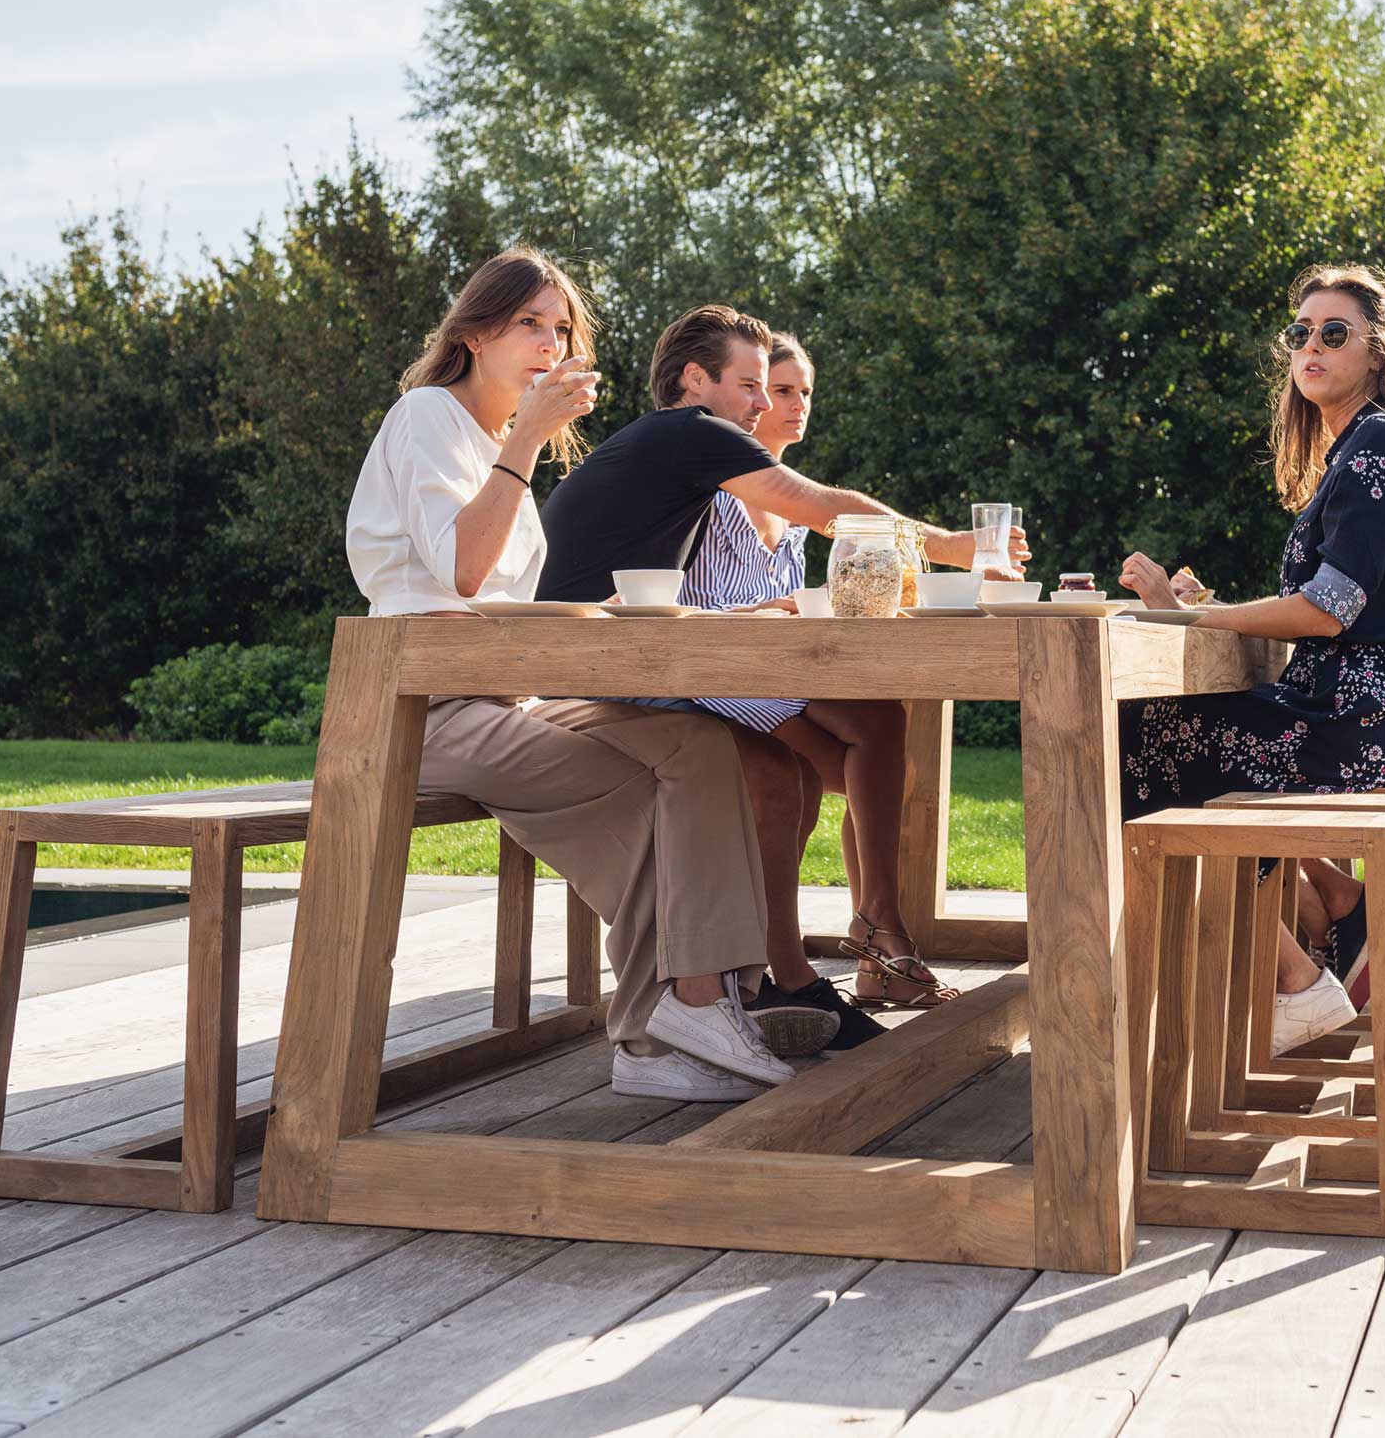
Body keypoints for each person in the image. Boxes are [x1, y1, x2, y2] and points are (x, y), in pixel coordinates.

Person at [345, 248, 817, 1105]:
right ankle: (673, 1014)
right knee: (646, 794)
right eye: (528, 322)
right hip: (427, 709)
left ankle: (687, 1012)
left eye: (559, 329)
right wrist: (526, 438)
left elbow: (522, 607)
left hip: (512, 696)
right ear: (477, 331)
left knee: (698, 745)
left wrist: (734, 622)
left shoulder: (496, 448)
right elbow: (460, 571)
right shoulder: (427, 417)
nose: (547, 342)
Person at [540, 305, 1028, 1033]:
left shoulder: (679, 450)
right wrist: (956, 546)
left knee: (800, 769)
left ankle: (794, 971)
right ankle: (828, 953)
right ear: (694, 380)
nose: (765, 404)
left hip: (628, 654)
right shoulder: (688, 432)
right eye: (750, 385)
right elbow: (823, 507)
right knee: (838, 744)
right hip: (594, 669)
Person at [1117, 263, 1385, 1050]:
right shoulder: (1369, 446)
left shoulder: (1377, 442)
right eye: (1300, 332)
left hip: (1362, 713)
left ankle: (1290, 981)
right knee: (1199, 741)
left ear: (1377, 352)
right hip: (1379, 708)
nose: (1311, 344)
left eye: (1333, 332)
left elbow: (1330, 611)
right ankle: (1336, 905)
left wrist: (1196, 618)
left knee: (1140, 743)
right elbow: (1336, 603)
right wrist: (1213, 610)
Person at [673, 333, 948, 1050]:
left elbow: (799, 600)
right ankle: (875, 935)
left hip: (780, 669)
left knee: (885, 749)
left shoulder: (790, 516)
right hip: (718, 673)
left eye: (801, 393)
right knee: (869, 744)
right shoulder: (709, 485)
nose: (788, 405)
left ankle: (876, 932)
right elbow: (693, 601)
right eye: (776, 390)